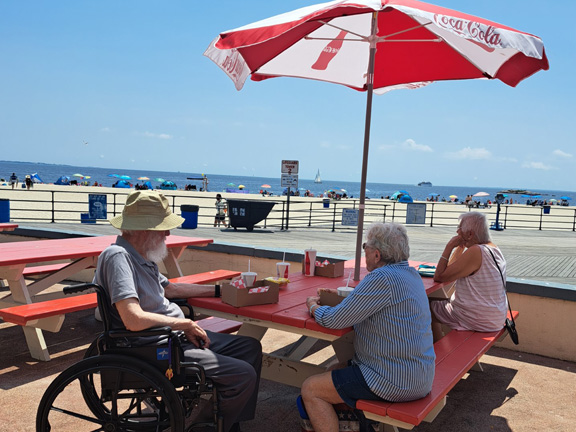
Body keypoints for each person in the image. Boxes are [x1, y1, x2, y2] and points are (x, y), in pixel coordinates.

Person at [94, 190, 261, 432]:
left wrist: (218, 290)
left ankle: (228, 421)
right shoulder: (118, 257)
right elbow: (132, 318)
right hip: (155, 346)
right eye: (163, 228)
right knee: (242, 374)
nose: (168, 234)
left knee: (249, 348)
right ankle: (202, 428)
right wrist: (183, 324)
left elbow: (170, 289)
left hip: (174, 338)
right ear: (145, 229)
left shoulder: (141, 256)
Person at [302, 222, 435, 432]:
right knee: (333, 370)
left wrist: (312, 307)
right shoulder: (411, 275)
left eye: (365, 247)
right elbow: (368, 302)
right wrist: (340, 298)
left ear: (377, 255)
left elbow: (334, 321)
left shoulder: (381, 278)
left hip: (394, 381)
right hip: (420, 375)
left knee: (311, 388)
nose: (364, 251)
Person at [430, 212, 507, 341]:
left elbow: (440, 276)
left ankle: (433, 350)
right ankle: (437, 344)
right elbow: (451, 271)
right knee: (435, 304)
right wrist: (460, 248)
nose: (457, 231)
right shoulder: (493, 249)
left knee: (422, 306)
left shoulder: (476, 251)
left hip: (477, 319)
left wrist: (449, 247)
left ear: (470, 234)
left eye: (460, 228)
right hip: (494, 317)